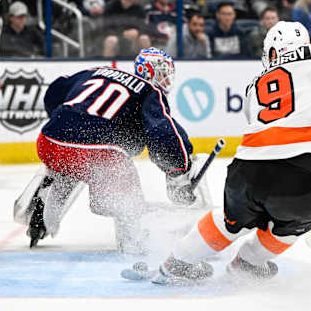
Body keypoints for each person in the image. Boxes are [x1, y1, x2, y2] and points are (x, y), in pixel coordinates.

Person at [153, 21, 311, 283]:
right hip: (299, 175)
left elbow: (276, 118)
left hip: (244, 171)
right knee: (300, 215)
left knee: (230, 221)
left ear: (272, 52)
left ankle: (175, 264)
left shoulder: (254, 86)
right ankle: (248, 263)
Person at [13, 47, 210, 253]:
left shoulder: (96, 71)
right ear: (146, 71)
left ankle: (42, 210)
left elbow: (55, 90)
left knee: (74, 164)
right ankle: (134, 237)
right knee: (123, 187)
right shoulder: (148, 91)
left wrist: (62, 122)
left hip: (49, 142)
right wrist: (178, 170)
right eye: (160, 73)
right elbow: (162, 132)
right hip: (94, 154)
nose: (165, 79)